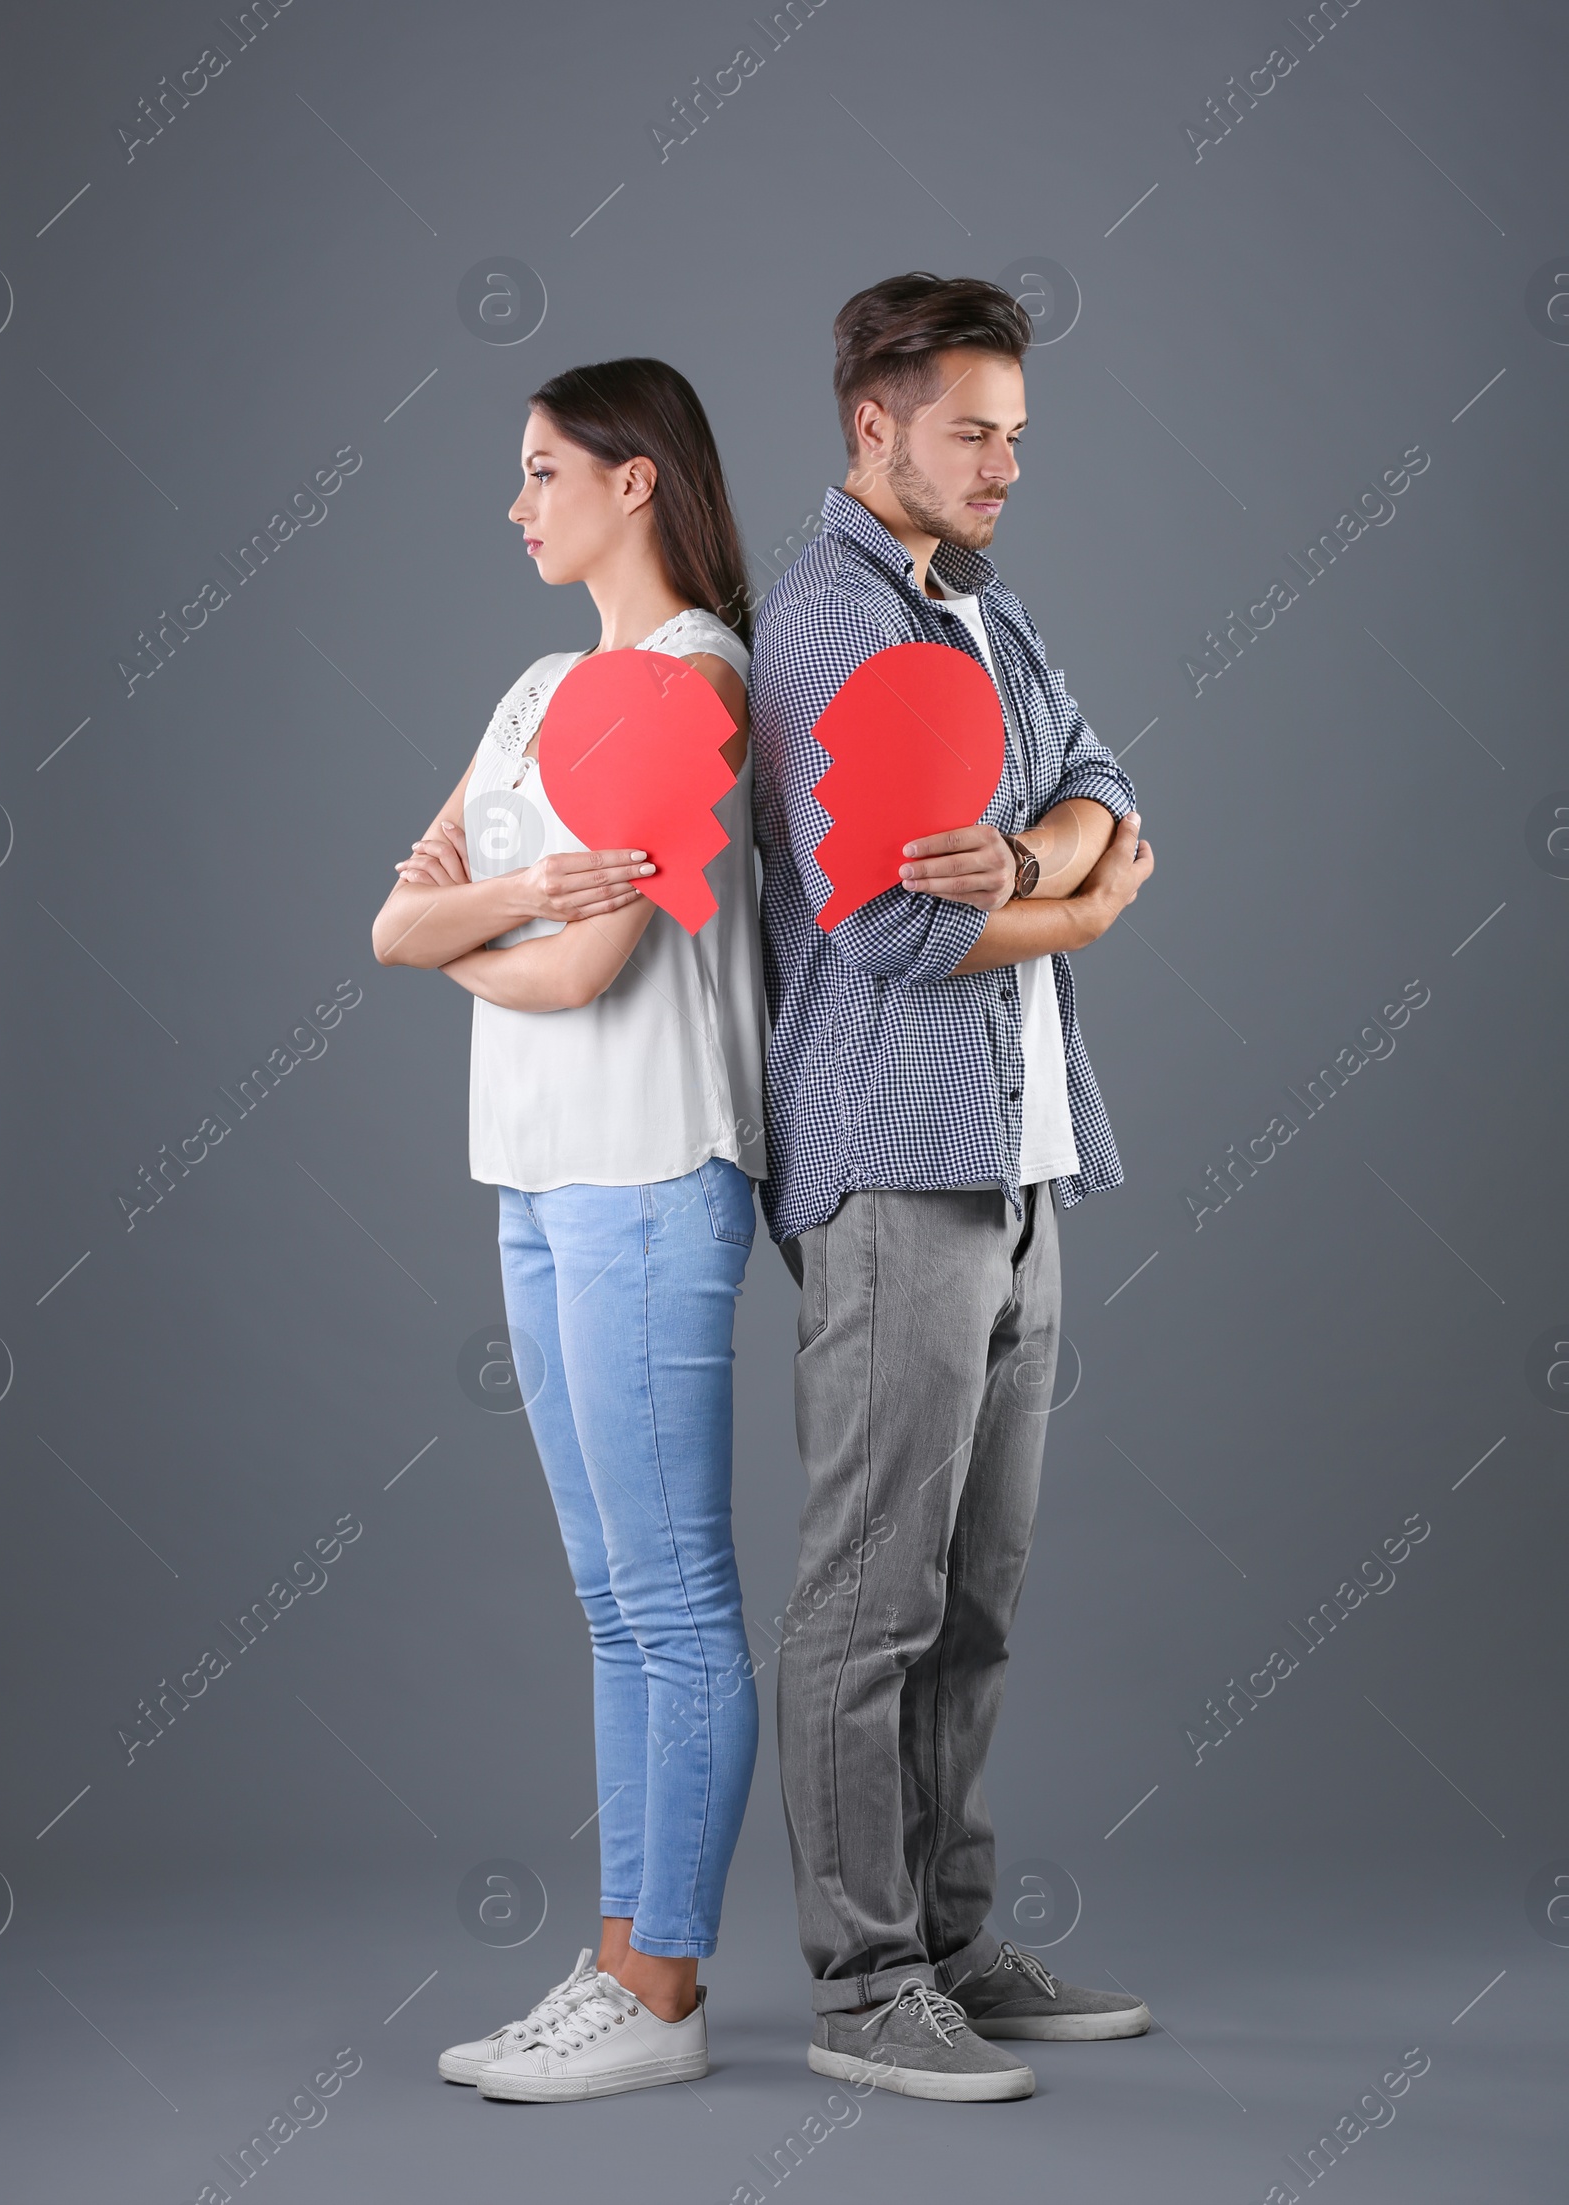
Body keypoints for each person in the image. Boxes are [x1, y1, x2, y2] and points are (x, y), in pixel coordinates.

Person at [749, 273, 1158, 2101]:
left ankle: (955, 1938)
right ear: (873, 425)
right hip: (894, 1162)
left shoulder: (981, 610)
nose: (1005, 464)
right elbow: (907, 937)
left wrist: (1052, 847)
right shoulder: (836, 630)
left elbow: (1100, 776)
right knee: (870, 1592)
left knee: (977, 1592)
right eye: (972, 429)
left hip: (1018, 1149)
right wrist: (1084, 902)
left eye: (1017, 433)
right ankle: (861, 1985)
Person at [371, 357, 764, 2103]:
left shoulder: (699, 682)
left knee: (673, 1595)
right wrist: (514, 894)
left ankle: (665, 1991)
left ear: (638, 482)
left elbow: (591, 970)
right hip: (533, 1171)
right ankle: (620, 1962)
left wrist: (478, 921)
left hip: (652, 1164)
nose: (515, 503)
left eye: (543, 470)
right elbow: (396, 924)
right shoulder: (538, 691)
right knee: (613, 1604)